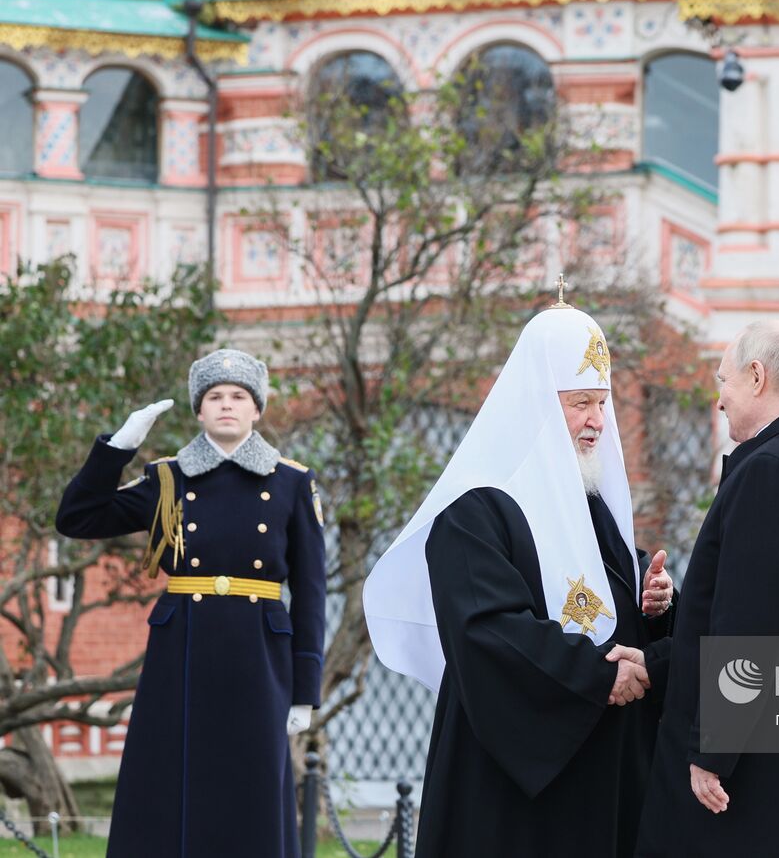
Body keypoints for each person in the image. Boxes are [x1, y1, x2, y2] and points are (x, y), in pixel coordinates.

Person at [363, 298, 675, 857]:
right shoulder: (471, 514)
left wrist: (656, 606)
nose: (598, 423)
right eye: (582, 403)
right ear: (537, 405)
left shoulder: (591, 506)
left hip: (603, 775)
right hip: (513, 796)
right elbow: (488, 632)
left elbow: (612, 604)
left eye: (602, 405)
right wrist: (594, 675)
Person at [54, 348, 326, 858]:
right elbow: (77, 518)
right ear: (199, 411)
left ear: (257, 410)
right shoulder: (167, 478)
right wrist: (117, 448)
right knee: (170, 781)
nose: (227, 405)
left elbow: (311, 591)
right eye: (215, 397)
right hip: (182, 648)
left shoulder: (292, 481)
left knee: (253, 787)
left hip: (260, 654)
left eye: (239, 396)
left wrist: (305, 689)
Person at [631, 320, 779, 857]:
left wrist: (713, 752)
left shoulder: (772, 470)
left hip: (758, 778)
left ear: (757, 377)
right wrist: (658, 659)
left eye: (724, 382)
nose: (719, 401)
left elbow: (750, 629)